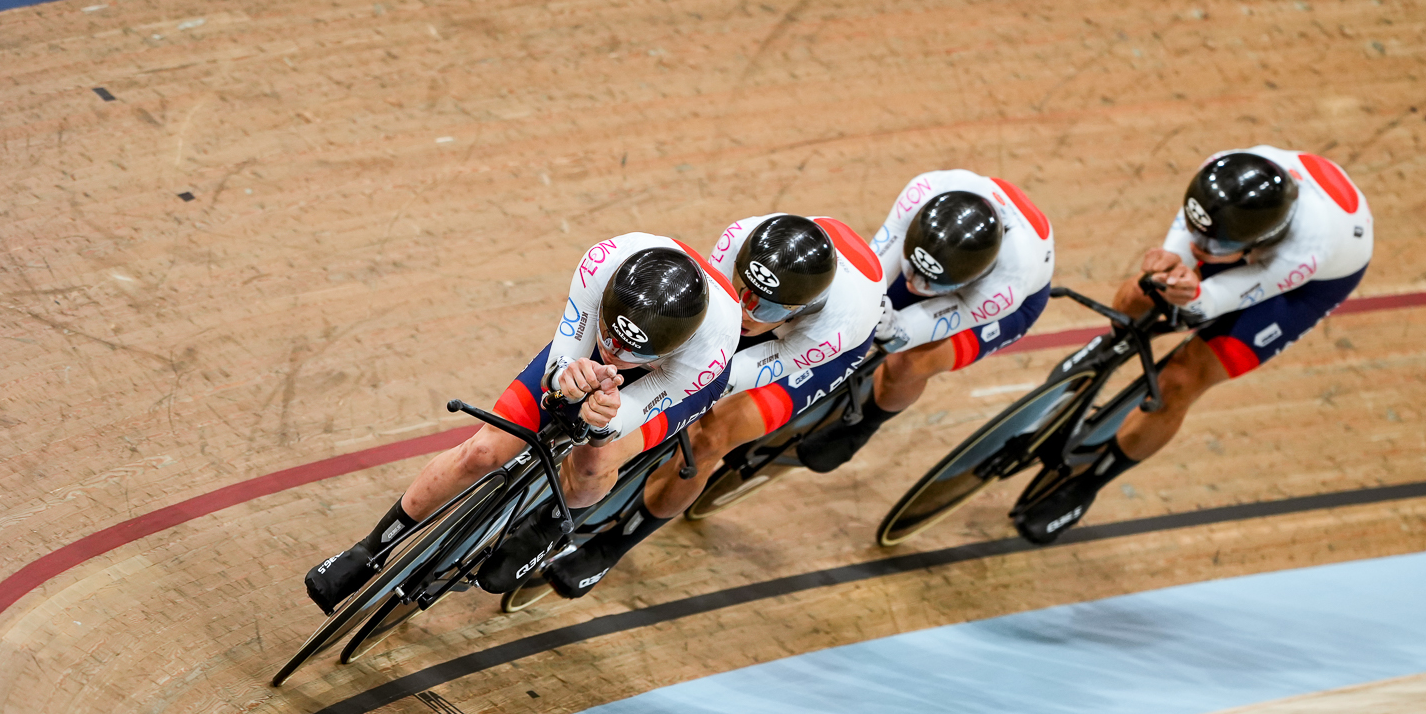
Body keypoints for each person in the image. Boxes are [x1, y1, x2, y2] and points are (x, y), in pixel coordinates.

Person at [304, 235, 740, 611]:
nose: (616, 356)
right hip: (623, 331)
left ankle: (550, 523)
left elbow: (620, 420)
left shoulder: (706, 356)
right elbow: (561, 367)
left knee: (593, 463)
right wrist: (566, 377)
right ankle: (370, 548)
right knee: (482, 452)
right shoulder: (603, 264)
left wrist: (603, 416)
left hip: (668, 382)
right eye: (611, 338)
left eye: (633, 355)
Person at [1012, 146, 1373, 543]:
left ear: (1257, 242)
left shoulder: (1305, 254)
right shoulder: (1217, 177)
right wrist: (1167, 268)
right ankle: (1102, 355)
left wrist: (1192, 294)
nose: (1202, 251)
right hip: (1238, 228)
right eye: (1198, 233)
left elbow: (1213, 301)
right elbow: (1181, 250)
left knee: (1181, 380)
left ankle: (1087, 484)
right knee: (1139, 294)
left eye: (1215, 248)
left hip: (1303, 284)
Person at [542, 212, 886, 597]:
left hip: (803, 350)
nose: (746, 311)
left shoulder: (835, 329)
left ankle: (613, 544)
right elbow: (713, 313)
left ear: (796, 309)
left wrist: (668, 400)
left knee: (711, 435)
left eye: (766, 308)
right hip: (781, 296)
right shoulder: (739, 237)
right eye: (744, 290)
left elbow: (723, 377)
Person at [793, 170, 1056, 473]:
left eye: (932, 284)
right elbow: (868, 279)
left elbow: (903, 334)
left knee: (907, 364)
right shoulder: (924, 191)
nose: (917, 284)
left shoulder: (1002, 289)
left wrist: (892, 329)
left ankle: (866, 424)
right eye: (914, 269)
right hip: (945, 259)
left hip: (1005, 304)